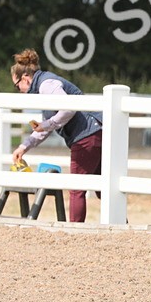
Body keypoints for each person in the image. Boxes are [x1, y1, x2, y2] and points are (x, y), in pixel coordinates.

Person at [10, 49, 103, 223]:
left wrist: (47, 124)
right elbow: (47, 126)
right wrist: (24, 146)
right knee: (103, 187)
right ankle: (122, 226)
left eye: (17, 86)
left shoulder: (46, 85)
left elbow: (67, 109)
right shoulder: (45, 84)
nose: (19, 91)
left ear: (25, 78)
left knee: (76, 188)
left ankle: (74, 231)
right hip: (96, 131)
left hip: (86, 135)